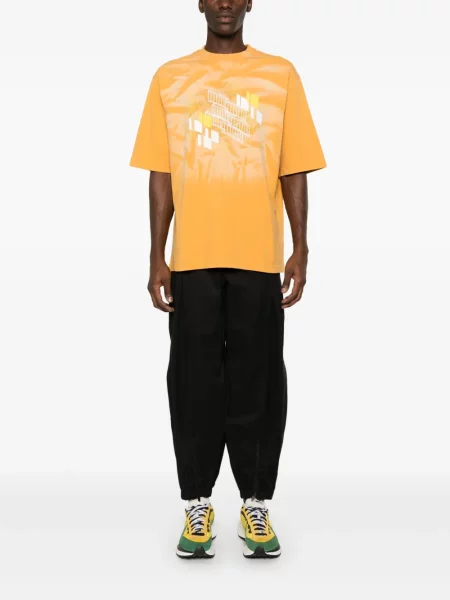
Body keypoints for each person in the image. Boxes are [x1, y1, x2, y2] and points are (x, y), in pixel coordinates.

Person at [129, 0, 326, 559]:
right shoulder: (170, 78)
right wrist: (157, 255)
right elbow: (161, 170)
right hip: (192, 259)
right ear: (199, 2)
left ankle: (255, 503)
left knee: (257, 381)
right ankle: (197, 502)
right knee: (193, 383)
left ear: (248, 2)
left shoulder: (280, 75)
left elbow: (293, 166)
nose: (223, 3)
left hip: (259, 258)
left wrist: (300, 247)